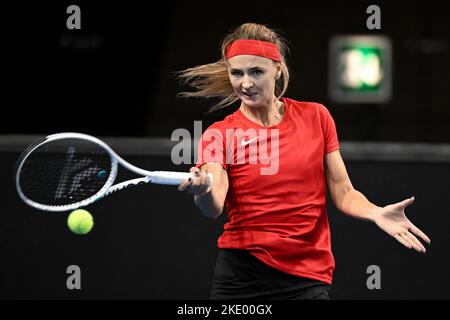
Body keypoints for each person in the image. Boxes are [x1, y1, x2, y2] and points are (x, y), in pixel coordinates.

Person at [177, 23, 431, 300]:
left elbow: (343, 191)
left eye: (256, 72)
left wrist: (374, 212)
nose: (245, 83)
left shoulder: (317, 117)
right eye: (236, 73)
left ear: (277, 68)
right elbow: (213, 206)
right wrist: (202, 191)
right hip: (242, 276)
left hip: (308, 276)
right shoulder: (220, 134)